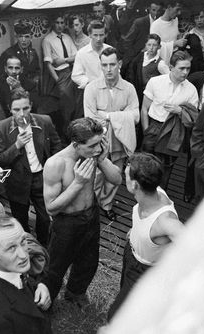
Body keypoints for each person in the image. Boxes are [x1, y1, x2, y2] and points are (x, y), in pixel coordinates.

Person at [42, 117, 122, 306]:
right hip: (67, 222)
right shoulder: (56, 164)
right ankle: (47, 301)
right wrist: (77, 184)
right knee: (55, 266)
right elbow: (50, 207)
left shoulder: (93, 154)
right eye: (93, 146)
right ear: (76, 144)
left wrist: (102, 160)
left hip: (91, 215)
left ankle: (75, 293)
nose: (97, 149)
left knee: (89, 262)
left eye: (99, 143)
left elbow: (117, 180)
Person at [108, 152, 183, 320]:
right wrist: (136, 232)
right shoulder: (151, 190)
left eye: (125, 175)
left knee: (115, 317)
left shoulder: (165, 221)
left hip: (144, 272)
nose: (123, 175)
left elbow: (195, 247)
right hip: (131, 254)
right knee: (126, 300)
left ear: (134, 185)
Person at [0, 88, 62, 246]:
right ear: (9, 109)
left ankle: (43, 246)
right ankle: (27, 247)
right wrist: (17, 145)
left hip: (42, 177)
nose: (22, 114)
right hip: (17, 182)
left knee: (45, 218)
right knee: (21, 219)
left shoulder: (44, 121)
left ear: (31, 106)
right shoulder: (1, 128)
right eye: (16, 109)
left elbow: (56, 145)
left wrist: (52, 168)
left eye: (25, 108)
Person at [84, 47, 139, 220]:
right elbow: (90, 119)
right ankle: (90, 204)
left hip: (120, 141)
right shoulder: (91, 88)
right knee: (95, 176)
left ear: (119, 64)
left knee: (114, 175)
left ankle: (107, 204)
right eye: (104, 65)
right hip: (97, 143)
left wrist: (108, 116)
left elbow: (136, 116)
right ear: (100, 65)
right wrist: (122, 116)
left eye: (112, 64)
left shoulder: (129, 88)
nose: (108, 69)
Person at [0, 215, 52, 334]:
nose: (24, 255)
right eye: (11, 248)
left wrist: (39, 285)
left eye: (23, 241)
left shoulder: (4, 265)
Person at [141, 51, 199, 188]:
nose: (185, 72)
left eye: (188, 68)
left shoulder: (191, 90)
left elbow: (193, 118)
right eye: (181, 68)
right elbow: (144, 109)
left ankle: (161, 199)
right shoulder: (155, 82)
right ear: (171, 67)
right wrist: (146, 130)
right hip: (153, 127)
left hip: (174, 132)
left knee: (165, 171)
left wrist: (179, 111)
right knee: (145, 169)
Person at [42, 14, 77, 144]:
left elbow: (76, 55)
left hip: (72, 71)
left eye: (62, 22)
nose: (60, 25)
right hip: (60, 74)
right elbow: (48, 63)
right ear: (53, 23)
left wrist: (64, 60)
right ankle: (65, 136)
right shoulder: (47, 40)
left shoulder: (67, 37)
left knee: (75, 103)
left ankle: (74, 131)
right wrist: (57, 80)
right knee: (66, 105)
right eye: (57, 22)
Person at [122, 1, 163, 79]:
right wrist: (134, 57)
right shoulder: (140, 22)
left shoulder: (161, 24)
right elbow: (127, 41)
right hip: (137, 60)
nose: (156, 13)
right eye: (154, 10)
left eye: (159, 11)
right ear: (149, 9)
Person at [0, 22, 41, 90]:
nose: (24, 40)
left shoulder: (33, 52)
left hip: (32, 89)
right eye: (20, 36)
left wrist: (35, 81)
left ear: (31, 38)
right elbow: (0, 79)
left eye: (26, 36)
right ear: (16, 37)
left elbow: (37, 71)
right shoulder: (8, 54)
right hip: (15, 91)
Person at [130, 33, 169, 105]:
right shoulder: (141, 56)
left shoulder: (160, 64)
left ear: (159, 47)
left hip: (150, 96)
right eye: (149, 45)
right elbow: (132, 70)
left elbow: (169, 78)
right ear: (145, 45)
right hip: (137, 92)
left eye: (154, 45)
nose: (151, 48)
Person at [72, 20, 111, 90]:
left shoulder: (110, 50)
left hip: (109, 89)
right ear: (89, 34)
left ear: (106, 34)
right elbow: (76, 75)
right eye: (95, 35)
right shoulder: (81, 53)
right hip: (91, 91)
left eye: (101, 35)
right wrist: (90, 83)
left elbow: (116, 71)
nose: (98, 39)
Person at [185, 7, 204, 74]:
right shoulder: (190, 34)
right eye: (197, 18)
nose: (199, 20)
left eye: (201, 17)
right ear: (194, 20)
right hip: (197, 68)